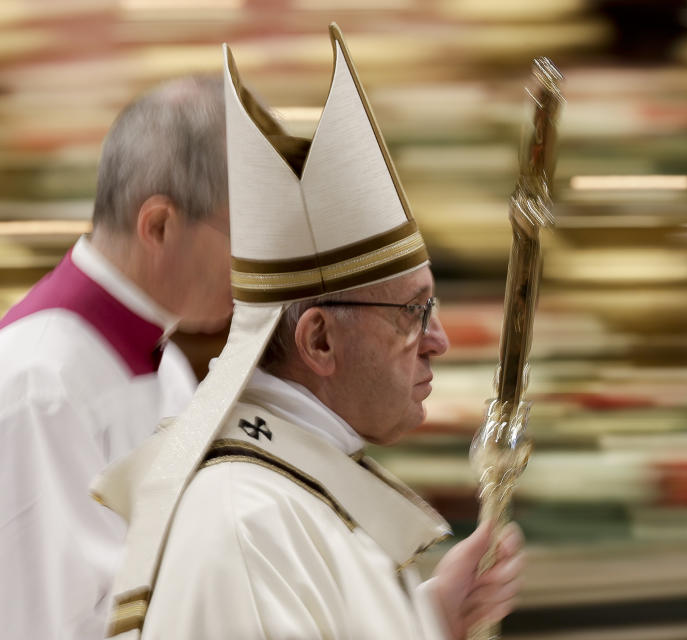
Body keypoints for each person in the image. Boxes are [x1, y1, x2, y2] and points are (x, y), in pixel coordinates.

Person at [95, 24, 523, 640]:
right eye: (414, 312)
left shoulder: (298, 490)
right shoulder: (245, 520)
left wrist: (432, 620)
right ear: (319, 341)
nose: (439, 341)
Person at [0, 76, 233, 640]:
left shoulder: (166, 361)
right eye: (242, 233)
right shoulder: (40, 382)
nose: (259, 263)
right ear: (158, 226)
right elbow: (43, 625)